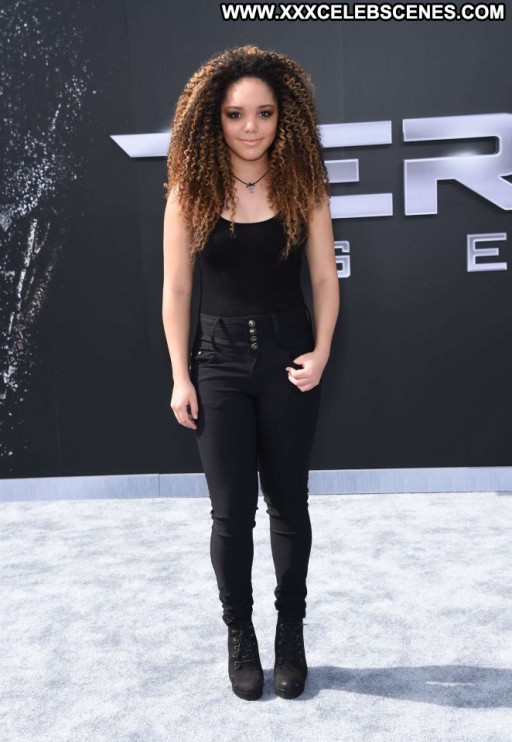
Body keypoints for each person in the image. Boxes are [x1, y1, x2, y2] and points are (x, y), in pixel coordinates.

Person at [162, 45, 339, 701]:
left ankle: (290, 634)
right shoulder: (189, 192)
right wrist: (180, 376)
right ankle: (241, 635)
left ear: (283, 116)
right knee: (231, 513)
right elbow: (176, 291)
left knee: (289, 503)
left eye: (264, 113)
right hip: (218, 363)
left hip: (289, 357)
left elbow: (325, 278)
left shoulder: (303, 184)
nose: (251, 126)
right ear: (215, 116)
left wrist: (321, 351)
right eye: (236, 113)